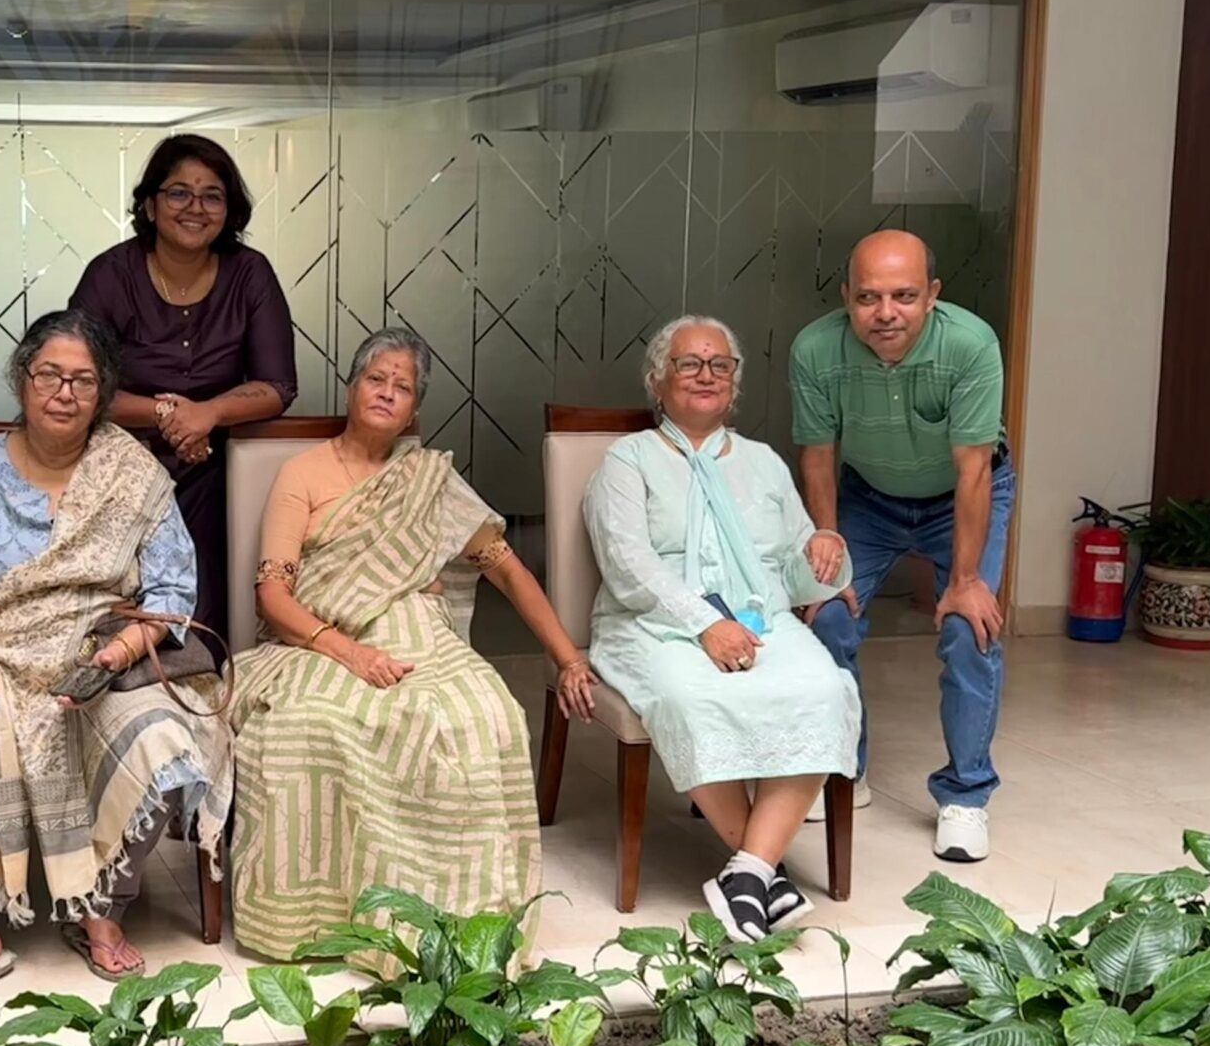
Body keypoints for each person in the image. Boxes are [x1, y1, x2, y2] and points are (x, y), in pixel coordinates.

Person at [0, 309, 232, 1012]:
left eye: (83, 379)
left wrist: (118, 651)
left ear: (103, 392)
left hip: (98, 652)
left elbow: (171, 590)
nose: (65, 392)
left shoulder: (132, 474)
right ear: (23, 380)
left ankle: (99, 904)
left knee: (164, 740)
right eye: (50, 374)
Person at [226, 327, 596, 961]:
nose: (387, 393)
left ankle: (464, 924)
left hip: (420, 632)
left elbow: (507, 569)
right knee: (309, 726)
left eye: (402, 387)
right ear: (352, 388)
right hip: (318, 640)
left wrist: (568, 658)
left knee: (486, 717)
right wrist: (348, 652)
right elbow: (274, 595)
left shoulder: (429, 479)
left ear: (415, 411)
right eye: (376, 379)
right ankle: (325, 924)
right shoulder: (303, 474)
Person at [584, 317, 860, 939]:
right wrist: (706, 623)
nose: (706, 375)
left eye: (721, 365)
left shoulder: (763, 463)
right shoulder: (628, 461)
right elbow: (628, 564)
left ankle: (750, 872)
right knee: (691, 694)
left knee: (824, 689)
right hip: (652, 621)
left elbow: (791, 571)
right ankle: (766, 871)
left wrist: (823, 555)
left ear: (735, 385)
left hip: (760, 615)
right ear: (659, 381)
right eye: (689, 363)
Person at [793, 230, 1011, 863]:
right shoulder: (815, 349)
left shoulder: (970, 345)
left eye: (904, 296)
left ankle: (966, 797)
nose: (886, 313)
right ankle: (841, 772)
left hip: (963, 493)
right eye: (868, 297)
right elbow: (817, 457)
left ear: (933, 296)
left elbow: (973, 468)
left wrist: (966, 581)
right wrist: (827, 557)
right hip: (868, 496)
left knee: (970, 629)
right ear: (846, 299)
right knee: (826, 617)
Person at [71, 134, 297, 628]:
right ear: (150, 205)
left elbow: (278, 385)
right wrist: (169, 416)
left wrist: (208, 415)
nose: (195, 207)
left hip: (215, 468)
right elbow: (77, 383)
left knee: (213, 551)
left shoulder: (250, 274)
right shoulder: (110, 275)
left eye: (212, 195)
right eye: (178, 192)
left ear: (229, 210)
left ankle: (201, 673)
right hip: (117, 464)